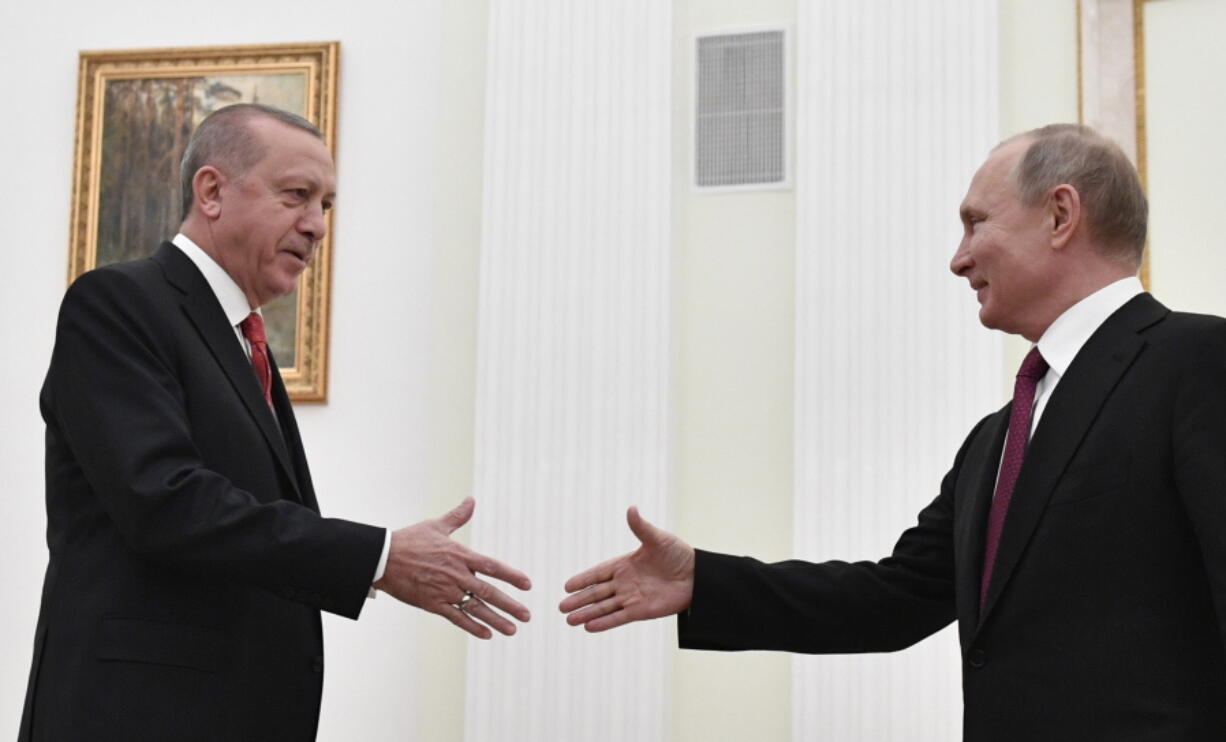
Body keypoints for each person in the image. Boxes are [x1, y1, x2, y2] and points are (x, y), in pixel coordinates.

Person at [561, 124, 1226, 740]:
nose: (958, 260)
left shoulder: (1198, 363)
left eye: (975, 224)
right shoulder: (995, 440)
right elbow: (895, 599)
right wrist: (705, 581)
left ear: (1059, 215)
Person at [20, 103, 532, 741]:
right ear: (212, 192)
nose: (317, 226)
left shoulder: (242, 339)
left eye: (327, 206)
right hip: (139, 713)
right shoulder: (119, 303)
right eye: (297, 196)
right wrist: (378, 557)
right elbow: (165, 503)